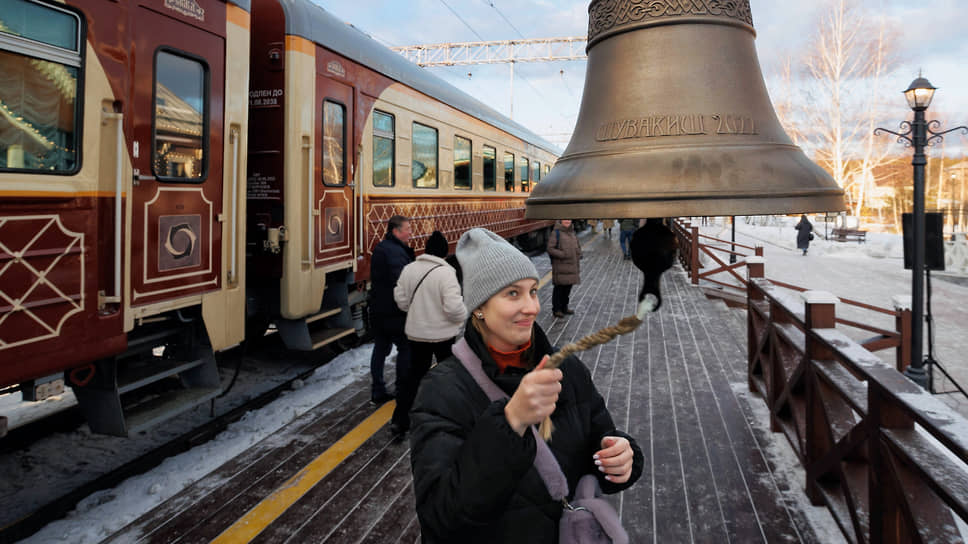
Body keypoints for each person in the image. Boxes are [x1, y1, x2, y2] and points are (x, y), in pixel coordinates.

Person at [409, 228, 643, 543]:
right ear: (479, 307)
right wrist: (510, 422)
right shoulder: (442, 390)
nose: (532, 307)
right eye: (513, 293)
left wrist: (622, 458)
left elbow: (600, 441)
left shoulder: (568, 370)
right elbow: (441, 518)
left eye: (533, 291)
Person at [392, 231, 466, 437]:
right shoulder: (447, 273)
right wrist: (461, 318)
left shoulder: (409, 269)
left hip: (417, 334)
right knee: (449, 376)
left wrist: (417, 314)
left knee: (413, 376)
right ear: (443, 252)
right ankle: (452, 417)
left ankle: (400, 421)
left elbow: (401, 300)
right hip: (443, 335)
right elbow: (453, 308)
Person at [369, 215, 415, 404]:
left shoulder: (381, 248)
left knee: (380, 348)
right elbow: (401, 282)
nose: (410, 232)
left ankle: (377, 390)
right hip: (394, 311)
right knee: (405, 348)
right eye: (407, 229)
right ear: (396, 231)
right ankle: (402, 390)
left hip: (378, 309)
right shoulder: (395, 252)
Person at [546, 219, 581, 318]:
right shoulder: (556, 233)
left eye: (569, 219)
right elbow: (550, 248)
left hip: (571, 266)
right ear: (561, 221)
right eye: (565, 219)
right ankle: (556, 309)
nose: (567, 221)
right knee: (559, 289)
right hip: (561, 266)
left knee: (567, 289)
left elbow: (577, 246)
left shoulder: (572, 232)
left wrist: (578, 253)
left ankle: (564, 307)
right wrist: (562, 254)